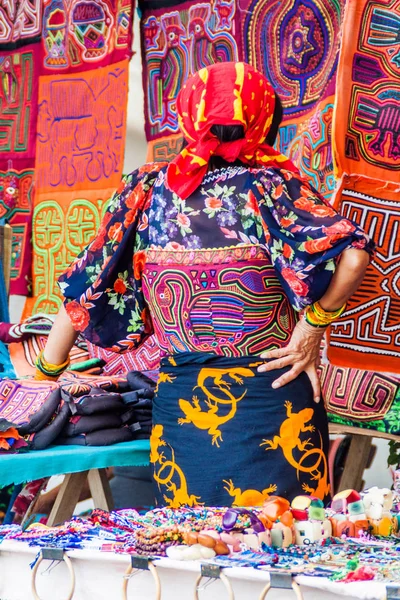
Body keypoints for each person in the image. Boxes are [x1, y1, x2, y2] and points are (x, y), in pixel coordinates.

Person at [36, 62, 373, 507]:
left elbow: (82, 294)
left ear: (187, 118)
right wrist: (311, 329)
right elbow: (353, 256)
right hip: (272, 402)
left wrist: (44, 381)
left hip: (184, 411)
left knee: (193, 553)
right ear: (264, 122)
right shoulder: (272, 186)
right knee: (284, 550)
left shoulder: (147, 188)